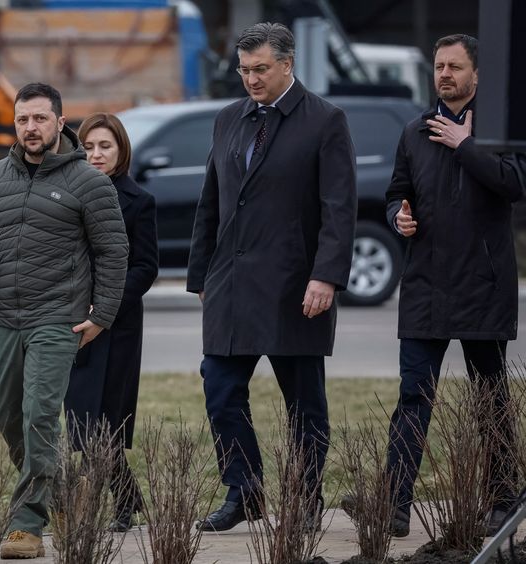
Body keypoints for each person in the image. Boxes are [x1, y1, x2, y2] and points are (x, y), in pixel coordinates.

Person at [343, 34, 525, 538]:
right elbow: (396, 192)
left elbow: (514, 184)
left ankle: (504, 498)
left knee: (490, 397)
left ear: (477, 74)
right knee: (413, 396)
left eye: (455, 66)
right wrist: (396, 215)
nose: (444, 74)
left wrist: (465, 145)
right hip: (426, 282)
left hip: (482, 283)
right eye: (439, 66)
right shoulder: (413, 131)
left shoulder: (499, 130)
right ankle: (396, 506)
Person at [0, 83, 128, 559]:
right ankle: (62, 494)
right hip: (9, 318)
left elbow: (113, 253)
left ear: (59, 122)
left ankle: (26, 524)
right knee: (6, 416)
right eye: (22, 119)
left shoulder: (90, 182)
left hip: (58, 320)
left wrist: (101, 315)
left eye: (40, 119)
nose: (30, 128)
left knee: (40, 417)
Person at [186, 22, 357, 532]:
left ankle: (306, 498)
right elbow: (211, 202)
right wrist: (201, 277)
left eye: (260, 69)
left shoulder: (325, 121)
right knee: (218, 387)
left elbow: (339, 208)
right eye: (243, 70)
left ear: (287, 64)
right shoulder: (228, 120)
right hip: (231, 286)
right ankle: (246, 491)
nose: (251, 80)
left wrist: (326, 276)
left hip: (295, 286)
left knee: (304, 401)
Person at [64, 113, 159, 532]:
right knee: (82, 418)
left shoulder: (138, 201)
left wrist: (106, 307)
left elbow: (145, 266)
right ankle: (127, 500)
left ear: (121, 151)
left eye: (106, 146)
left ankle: (119, 506)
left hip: (117, 324)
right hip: (71, 319)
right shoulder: (67, 193)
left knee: (108, 417)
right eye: (88, 146)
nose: (96, 154)